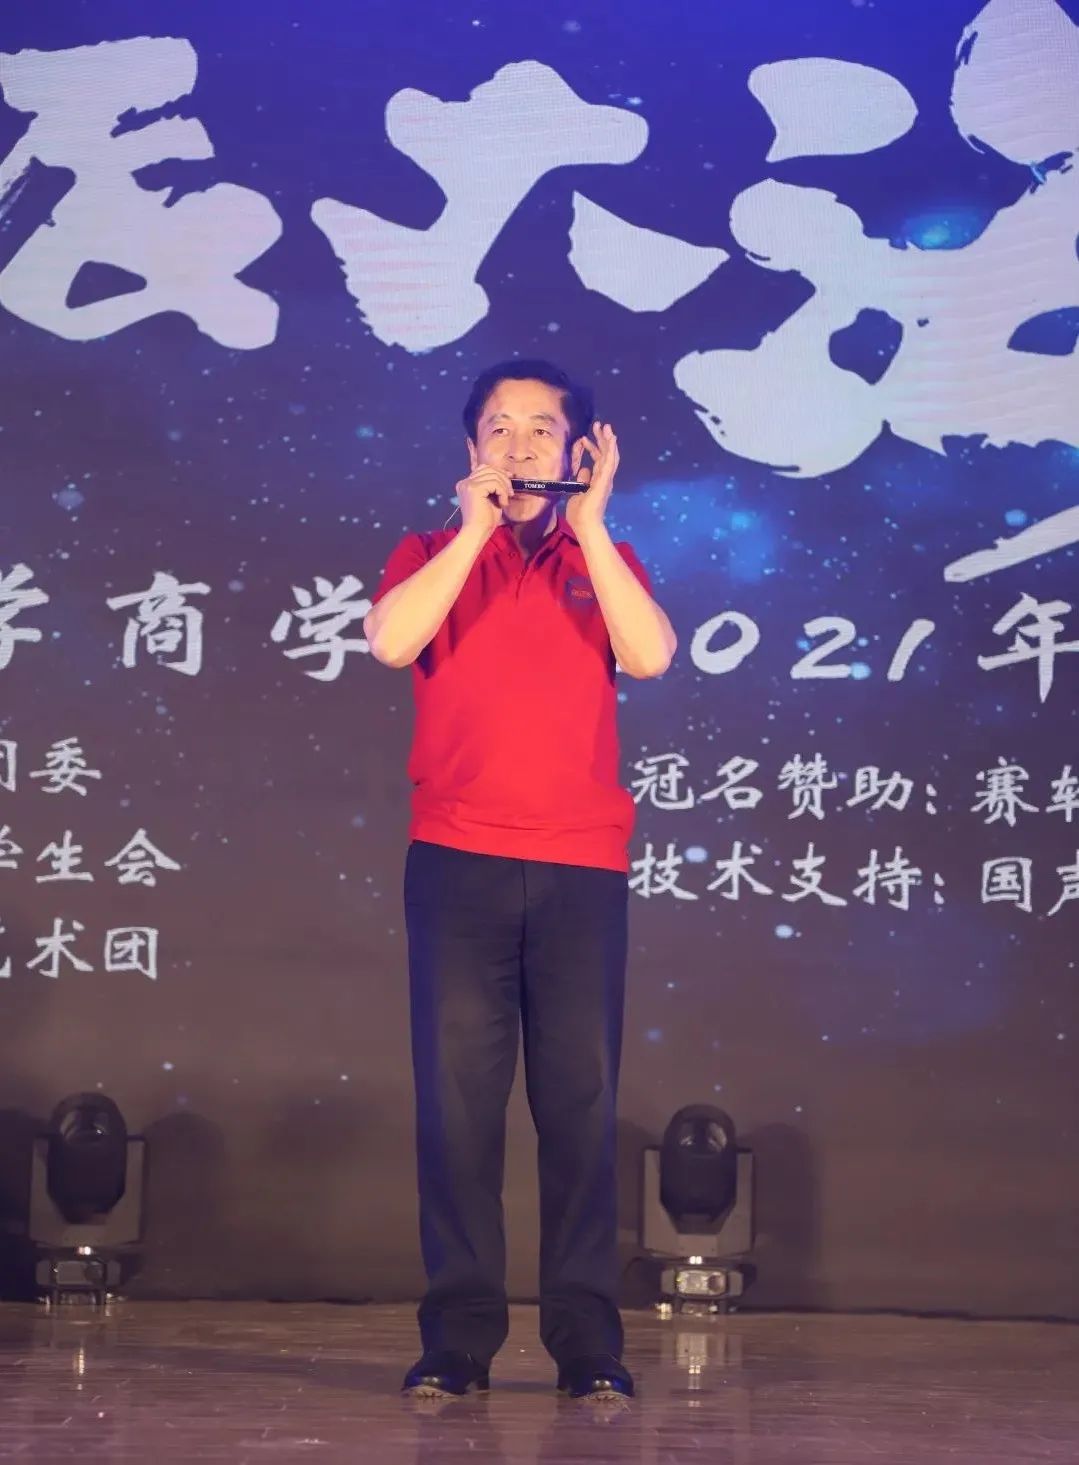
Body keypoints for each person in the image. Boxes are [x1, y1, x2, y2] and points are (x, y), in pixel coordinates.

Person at [364, 359, 676, 1403]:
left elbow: (650, 656)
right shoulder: (428, 552)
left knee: (579, 1108)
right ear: (470, 447)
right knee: (458, 1111)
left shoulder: (603, 556)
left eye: (542, 427)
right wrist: (470, 532)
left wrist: (593, 524)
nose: (518, 443)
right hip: (457, 859)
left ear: (578, 448)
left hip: (581, 866)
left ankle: (587, 1345)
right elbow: (390, 640)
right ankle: (457, 1341)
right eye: (498, 426)